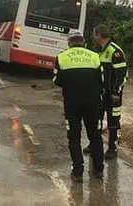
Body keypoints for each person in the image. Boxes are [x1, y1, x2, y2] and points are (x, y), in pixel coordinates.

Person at [53, 29, 105, 182]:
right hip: (92, 103)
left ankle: (78, 172)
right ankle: (99, 170)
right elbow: (101, 80)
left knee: (74, 137)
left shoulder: (61, 57)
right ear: (83, 42)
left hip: (72, 103)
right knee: (95, 135)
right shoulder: (95, 56)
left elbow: (57, 80)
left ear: (69, 42)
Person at [83, 25, 128, 160]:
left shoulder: (115, 52)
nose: (92, 38)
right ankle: (94, 144)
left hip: (113, 94)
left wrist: (114, 90)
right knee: (96, 119)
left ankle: (112, 147)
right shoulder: (99, 51)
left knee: (113, 121)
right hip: (100, 94)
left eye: (94, 35)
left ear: (98, 35)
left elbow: (122, 75)